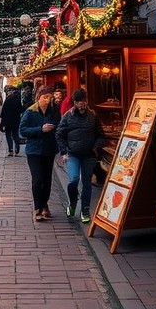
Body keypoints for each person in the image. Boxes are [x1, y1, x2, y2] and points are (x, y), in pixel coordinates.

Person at [56, 88, 105, 223]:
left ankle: (85, 210)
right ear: (74, 103)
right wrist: (64, 151)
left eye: (83, 101)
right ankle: (72, 203)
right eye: (78, 101)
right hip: (73, 154)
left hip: (89, 155)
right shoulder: (68, 116)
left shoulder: (93, 116)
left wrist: (95, 148)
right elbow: (59, 134)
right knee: (73, 180)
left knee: (87, 183)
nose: (81, 104)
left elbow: (101, 135)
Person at [18, 85, 60, 221]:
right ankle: (37, 207)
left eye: (49, 97)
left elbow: (59, 126)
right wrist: (40, 129)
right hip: (34, 150)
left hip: (49, 149)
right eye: (44, 97)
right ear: (38, 97)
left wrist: (54, 130)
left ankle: (44, 205)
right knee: (38, 179)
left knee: (47, 180)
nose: (47, 100)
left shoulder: (54, 111)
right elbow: (23, 130)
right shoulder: (30, 112)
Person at [0, 86, 22, 156]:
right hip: (16, 120)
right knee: (15, 134)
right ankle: (17, 145)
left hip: (8, 121)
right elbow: (21, 109)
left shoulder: (8, 100)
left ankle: (11, 150)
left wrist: (2, 123)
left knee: (8, 135)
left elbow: (4, 112)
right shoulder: (18, 99)